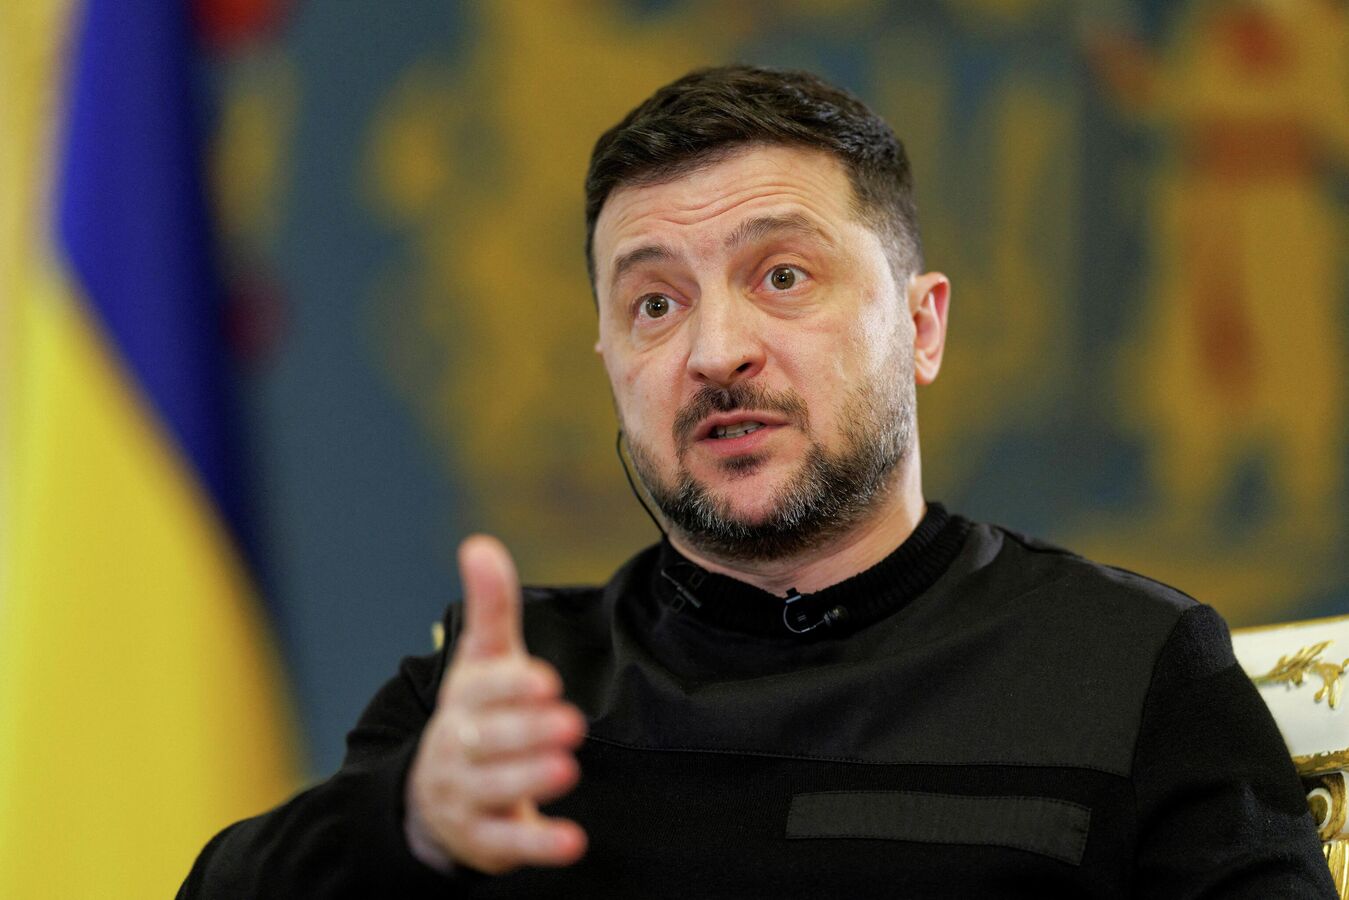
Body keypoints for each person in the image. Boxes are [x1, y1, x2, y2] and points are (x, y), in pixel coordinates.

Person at [180, 65, 1335, 898]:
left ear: (921, 327)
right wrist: (405, 825)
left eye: (781, 276)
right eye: (654, 302)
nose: (714, 351)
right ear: (608, 360)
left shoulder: (1126, 666)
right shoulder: (505, 699)